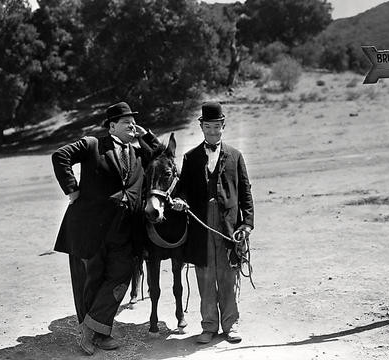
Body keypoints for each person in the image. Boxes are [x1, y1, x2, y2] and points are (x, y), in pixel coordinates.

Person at [51, 102, 159, 355]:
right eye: (126, 122)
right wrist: (72, 188)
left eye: (134, 121)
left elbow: (160, 154)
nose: (132, 126)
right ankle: (97, 334)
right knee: (92, 280)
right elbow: (60, 155)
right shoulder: (92, 145)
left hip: (125, 230)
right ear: (112, 126)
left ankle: (90, 329)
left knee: (121, 275)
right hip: (92, 228)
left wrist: (145, 135)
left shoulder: (138, 153)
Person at [173, 101, 254, 344]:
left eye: (217, 126)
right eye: (208, 126)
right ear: (201, 127)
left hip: (228, 226)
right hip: (200, 225)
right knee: (205, 276)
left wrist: (247, 224)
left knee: (228, 276)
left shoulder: (235, 156)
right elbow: (181, 190)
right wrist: (178, 201)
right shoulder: (190, 157)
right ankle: (208, 326)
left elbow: (246, 193)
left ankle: (231, 325)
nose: (212, 131)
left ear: (223, 126)